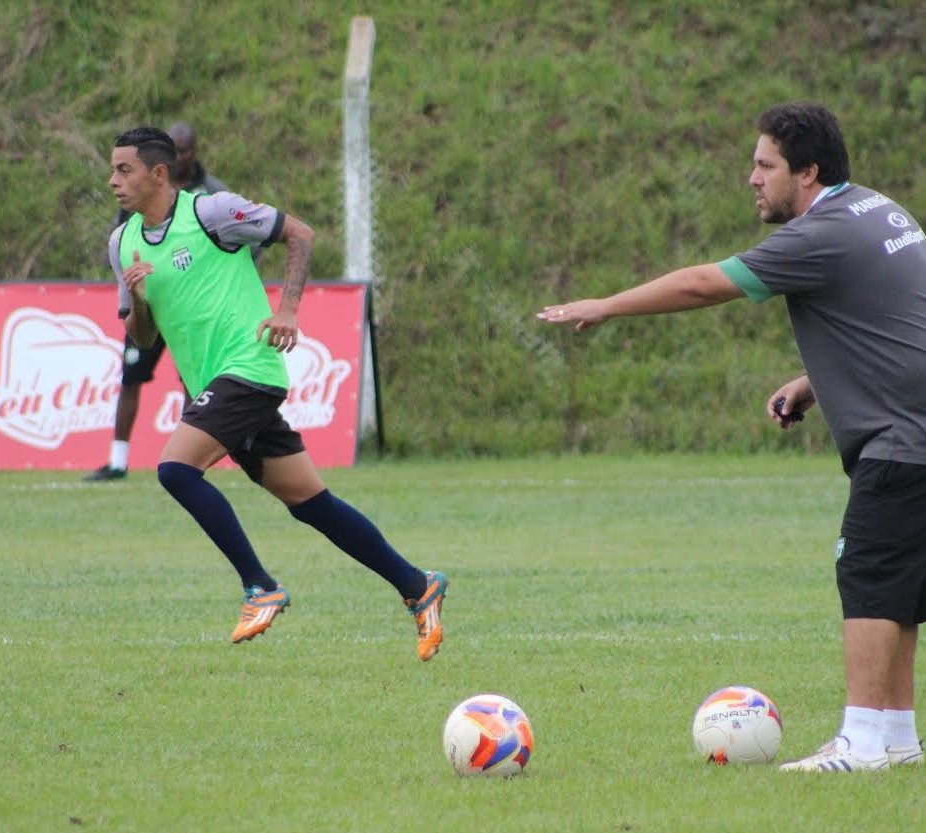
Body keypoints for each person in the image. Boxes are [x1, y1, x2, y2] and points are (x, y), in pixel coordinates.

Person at [538, 101, 926, 773]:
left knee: (865, 571)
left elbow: (700, 285)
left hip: (901, 439)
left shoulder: (818, 234)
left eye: (763, 165)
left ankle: (860, 741)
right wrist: (812, 381)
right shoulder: (880, 211)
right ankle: (894, 736)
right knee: (899, 588)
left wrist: (603, 305)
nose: (750, 178)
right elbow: (895, 317)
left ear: (805, 173)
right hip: (915, 430)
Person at [106, 125, 448, 660]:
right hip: (211, 384)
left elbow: (301, 234)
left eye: (123, 169)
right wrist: (140, 298)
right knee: (311, 503)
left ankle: (259, 585)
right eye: (112, 170)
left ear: (158, 173)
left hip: (249, 368)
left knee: (175, 469)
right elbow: (143, 335)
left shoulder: (211, 214)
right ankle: (416, 584)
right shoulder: (122, 242)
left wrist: (287, 308)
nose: (113, 181)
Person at [86, 121, 256, 481]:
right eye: (175, 148)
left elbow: (247, 245)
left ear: (193, 151)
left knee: (193, 381)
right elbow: (123, 238)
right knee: (130, 376)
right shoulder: (140, 190)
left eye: (186, 149)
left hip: (192, 308)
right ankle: (118, 460)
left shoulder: (211, 196)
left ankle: (190, 459)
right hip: (151, 299)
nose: (181, 155)